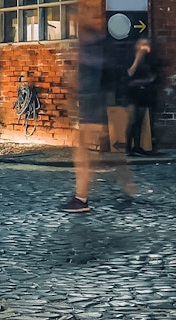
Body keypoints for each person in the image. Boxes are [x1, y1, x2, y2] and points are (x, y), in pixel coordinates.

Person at [62, 22, 134, 213]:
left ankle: (82, 198)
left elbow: (93, 83)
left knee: (84, 152)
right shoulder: (103, 53)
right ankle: (125, 185)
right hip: (98, 104)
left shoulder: (93, 55)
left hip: (94, 105)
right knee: (96, 152)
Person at [124, 38, 160, 156]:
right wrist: (137, 59)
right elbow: (129, 73)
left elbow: (154, 75)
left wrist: (148, 80)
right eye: (142, 45)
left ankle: (137, 146)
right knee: (133, 120)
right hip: (132, 92)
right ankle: (128, 148)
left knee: (140, 121)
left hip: (144, 92)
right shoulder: (130, 57)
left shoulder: (150, 59)